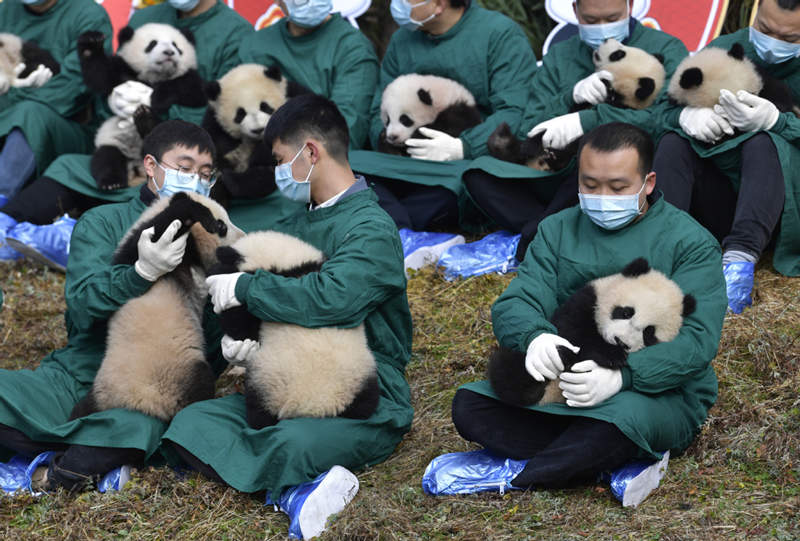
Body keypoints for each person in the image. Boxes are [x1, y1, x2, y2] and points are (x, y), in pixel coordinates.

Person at [162, 94, 414, 540]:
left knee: (293, 441)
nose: (279, 171)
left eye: (281, 159)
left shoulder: (370, 229)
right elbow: (273, 304)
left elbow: (332, 300)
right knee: (189, 425)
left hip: (359, 391)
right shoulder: (297, 222)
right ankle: (288, 485)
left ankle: (294, 485)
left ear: (310, 153)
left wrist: (247, 288)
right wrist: (243, 340)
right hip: (285, 376)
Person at [429, 123, 726, 492]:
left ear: (648, 183)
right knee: (470, 405)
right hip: (565, 385)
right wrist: (535, 337)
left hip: (653, 392)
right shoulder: (556, 230)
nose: (602, 196)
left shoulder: (690, 243)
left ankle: (526, 475)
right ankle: (596, 460)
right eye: (589, 185)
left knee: (618, 424)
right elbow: (520, 299)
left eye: (618, 188)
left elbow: (697, 342)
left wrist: (624, 377)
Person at [0, 120, 228, 492]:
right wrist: (139, 273)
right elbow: (82, 305)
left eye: (205, 174)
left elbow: (211, 342)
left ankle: (53, 475)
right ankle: (85, 463)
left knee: (145, 425)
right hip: (78, 376)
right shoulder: (104, 222)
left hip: (148, 387)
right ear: (151, 167)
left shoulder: (211, 234)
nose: (196, 182)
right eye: (184, 169)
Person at [0, 0, 252, 269]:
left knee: (166, 195)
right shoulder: (146, 17)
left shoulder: (237, 34)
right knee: (71, 168)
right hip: (127, 148)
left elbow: (229, 117)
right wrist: (113, 97)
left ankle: (75, 240)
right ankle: (7, 222)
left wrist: (162, 108)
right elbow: (117, 71)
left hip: (185, 160)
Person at [462, 0, 688, 261]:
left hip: (618, 178)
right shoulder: (560, 56)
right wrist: (570, 97)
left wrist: (588, 120)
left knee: (594, 153)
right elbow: (529, 127)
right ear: (575, 10)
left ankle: (539, 234)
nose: (603, 29)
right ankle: (556, 230)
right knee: (478, 174)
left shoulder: (666, 48)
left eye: (612, 17)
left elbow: (666, 118)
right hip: (556, 172)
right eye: (591, 21)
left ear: (631, 5)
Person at [347, 0, 536, 268]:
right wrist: (386, 138)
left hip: (460, 165)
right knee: (349, 165)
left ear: (439, 4)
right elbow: (379, 105)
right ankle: (405, 235)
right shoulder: (403, 39)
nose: (397, 3)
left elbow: (516, 110)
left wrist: (464, 146)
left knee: (465, 185)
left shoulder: (499, 34)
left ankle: (389, 226)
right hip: (405, 160)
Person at [652, 0, 800, 314]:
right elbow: (658, 112)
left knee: (763, 142)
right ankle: (663, 254)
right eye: (764, 29)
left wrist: (779, 123)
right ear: (755, 13)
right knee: (673, 142)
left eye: (789, 39)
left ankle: (738, 264)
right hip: (724, 198)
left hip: (787, 206)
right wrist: (682, 115)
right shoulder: (725, 48)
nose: (772, 44)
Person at [230, 0, 380, 232]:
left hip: (312, 165)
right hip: (258, 162)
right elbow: (230, 113)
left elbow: (347, 131)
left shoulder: (351, 47)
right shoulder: (255, 45)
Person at [0, 0, 112, 200]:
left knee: (29, 114)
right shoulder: (6, 8)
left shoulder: (88, 15)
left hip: (71, 125)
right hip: (9, 105)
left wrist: (12, 95)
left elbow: (73, 88)